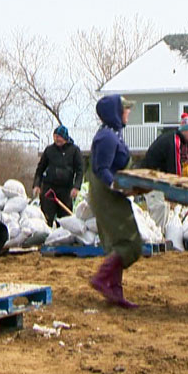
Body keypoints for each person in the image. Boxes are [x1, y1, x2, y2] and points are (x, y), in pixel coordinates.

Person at [87, 95, 143, 308]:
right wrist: (116, 187)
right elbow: (102, 169)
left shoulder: (113, 134)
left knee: (121, 242)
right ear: (116, 112)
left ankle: (115, 290)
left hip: (114, 196)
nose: (128, 112)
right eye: (126, 109)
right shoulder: (107, 138)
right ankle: (102, 279)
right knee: (130, 242)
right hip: (107, 197)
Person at [33, 125, 85, 225]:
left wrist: (76, 187)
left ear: (65, 137)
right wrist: (37, 185)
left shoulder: (74, 151)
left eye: (59, 136)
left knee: (65, 221)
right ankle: (46, 237)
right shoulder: (49, 150)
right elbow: (40, 169)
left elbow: (80, 171)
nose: (57, 139)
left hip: (66, 191)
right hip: (49, 189)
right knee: (47, 218)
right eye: (55, 136)